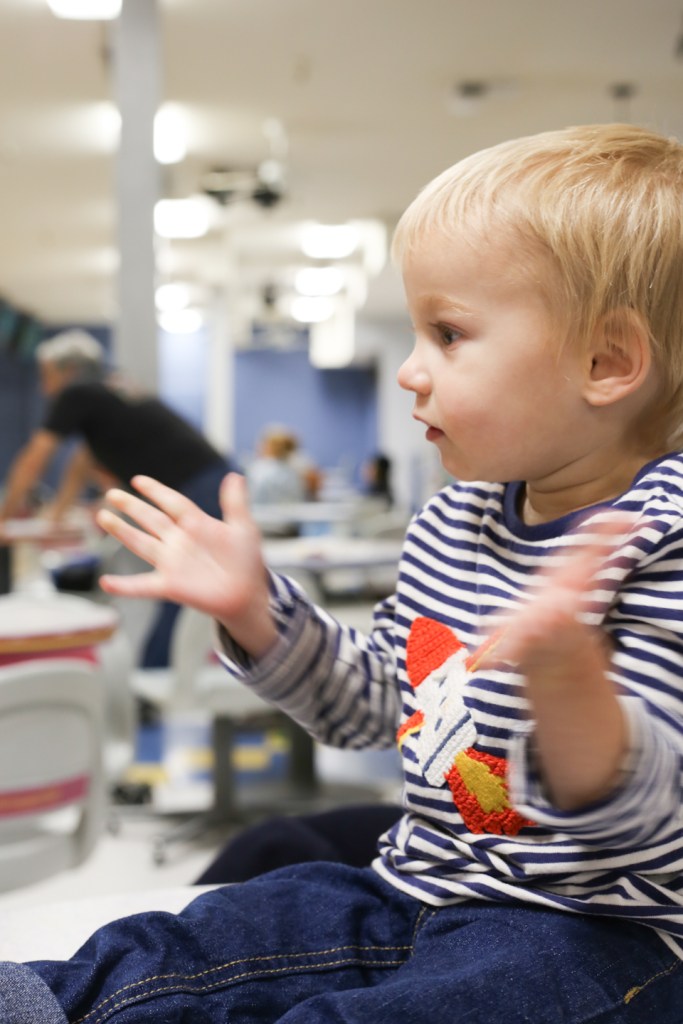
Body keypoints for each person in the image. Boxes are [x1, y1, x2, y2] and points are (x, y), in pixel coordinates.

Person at [4, 122, 683, 1021]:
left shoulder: (659, 539)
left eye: (447, 334)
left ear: (606, 362)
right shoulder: (452, 521)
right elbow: (373, 707)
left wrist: (568, 689)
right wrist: (258, 613)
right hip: (414, 884)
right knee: (174, 952)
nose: (408, 372)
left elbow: (649, 822)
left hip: (592, 931)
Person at [0, 329, 239, 667]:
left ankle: (158, 676)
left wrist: (4, 518)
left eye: (47, 376)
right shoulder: (112, 388)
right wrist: (56, 515)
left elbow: (34, 460)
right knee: (187, 588)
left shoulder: (77, 392)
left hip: (198, 488)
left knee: (183, 589)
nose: (44, 388)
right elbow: (80, 464)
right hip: (212, 480)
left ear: (69, 370)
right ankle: (163, 672)